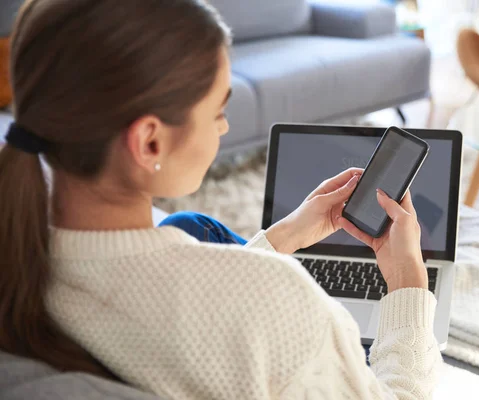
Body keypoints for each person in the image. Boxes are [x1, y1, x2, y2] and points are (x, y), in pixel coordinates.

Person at [0, 0, 442, 399]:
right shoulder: (280, 301)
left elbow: (201, 316)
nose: (225, 129)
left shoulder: (19, 256)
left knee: (191, 227)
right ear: (150, 142)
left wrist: (284, 236)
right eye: (218, 113)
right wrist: (407, 281)